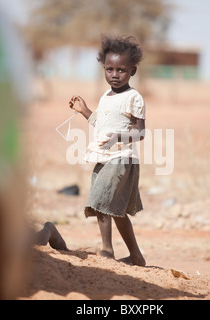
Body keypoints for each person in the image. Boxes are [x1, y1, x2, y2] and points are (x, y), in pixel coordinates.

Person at [68, 34, 146, 266]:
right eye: (109, 69)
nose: (114, 74)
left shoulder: (134, 97)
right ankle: (136, 256)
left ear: (132, 71)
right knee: (115, 209)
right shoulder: (106, 96)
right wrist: (84, 111)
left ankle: (107, 250)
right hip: (104, 156)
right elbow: (101, 126)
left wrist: (118, 138)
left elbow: (140, 132)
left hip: (122, 158)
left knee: (100, 200)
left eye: (121, 70)